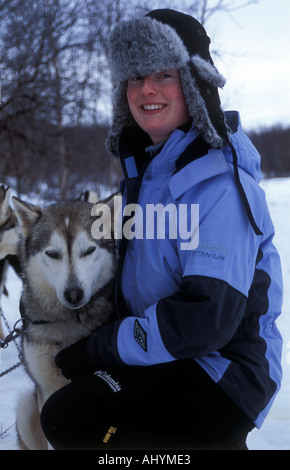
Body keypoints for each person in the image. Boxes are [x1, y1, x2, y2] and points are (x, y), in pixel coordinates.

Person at [40, 9, 283, 450]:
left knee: (72, 417)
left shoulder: (220, 186)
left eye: (163, 74)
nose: (146, 88)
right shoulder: (148, 178)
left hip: (223, 368)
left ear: (194, 84)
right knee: (68, 411)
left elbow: (205, 322)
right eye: (134, 77)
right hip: (167, 353)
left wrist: (101, 348)